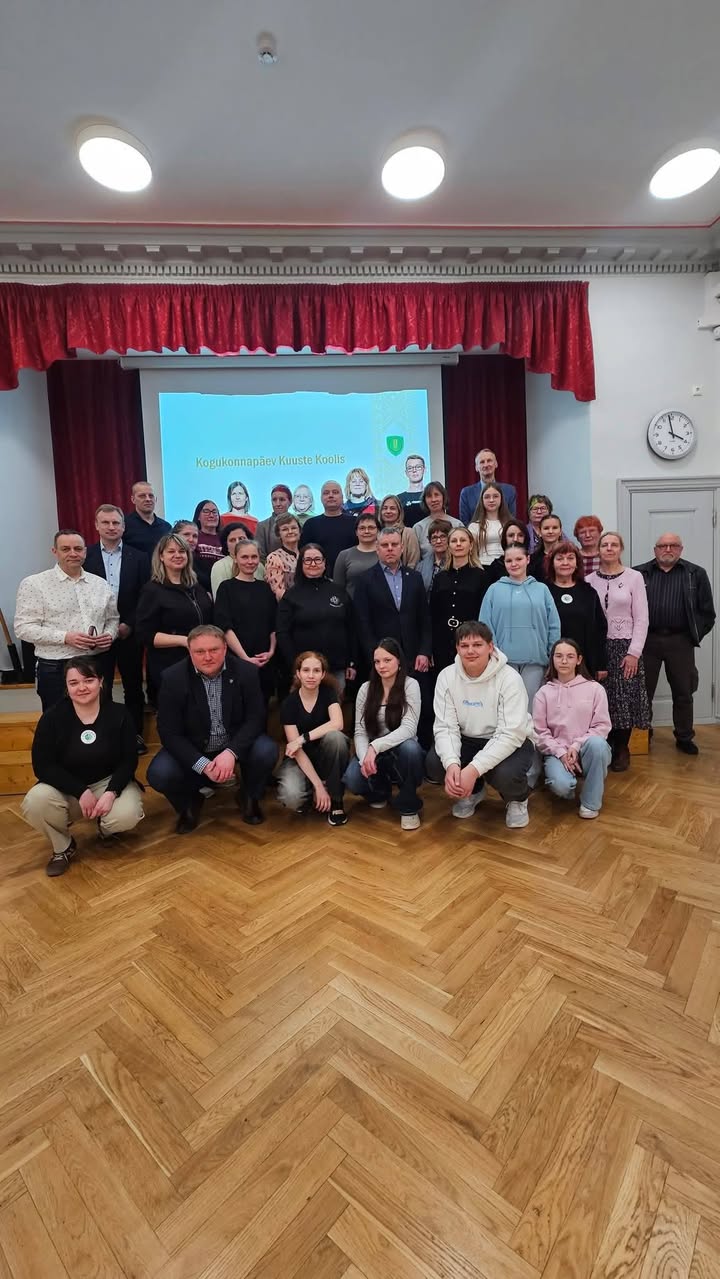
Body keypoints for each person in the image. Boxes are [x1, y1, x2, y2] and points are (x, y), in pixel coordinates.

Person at [147, 625, 276, 833]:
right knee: (160, 773)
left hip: (233, 743)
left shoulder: (246, 671)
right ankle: (189, 803)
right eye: (199, 651)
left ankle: (249, 796)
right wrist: (202, 764)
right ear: (190, 652)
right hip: (195, 747)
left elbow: (255, 718)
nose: (207, 657)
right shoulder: (172, 678)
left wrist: (231, 752)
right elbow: (169, 732)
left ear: (225, 648)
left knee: (266, 750)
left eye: (214, 650)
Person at [21, 658, 143, 876]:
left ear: (101, 681)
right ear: (66, 687)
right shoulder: (52, 718)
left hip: (107, 782)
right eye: (74, 683)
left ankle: (106, 828)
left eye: (88, 680)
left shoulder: (119, 713)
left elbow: (129, 761)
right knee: (35, 801)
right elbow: (43, 766)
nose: (82, 687)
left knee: (128, 814)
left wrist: (112, 792)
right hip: (67, 787)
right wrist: (80, 791)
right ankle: (63, 847)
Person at [426, 621, 535, 829]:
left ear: (490, 647)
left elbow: (510, 733)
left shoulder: (510, 678)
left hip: (512, 741)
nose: (470, 651)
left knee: (505, 774)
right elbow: (446, 727)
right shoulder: (446, 676)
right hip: (468, 738)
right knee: (436, 763)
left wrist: (473, 769)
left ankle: (518, 798)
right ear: (457, 648)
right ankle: (474, 791)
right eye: (464, 645)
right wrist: (452, 764)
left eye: (477, 645)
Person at [15, 530, 119, 711]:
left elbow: (112, 619)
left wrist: (109, 635)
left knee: (100, 717)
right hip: (56, 667)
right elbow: (23, 628)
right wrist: (65, 637)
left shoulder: (100, 584)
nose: (73, 553)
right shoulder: (34, 584)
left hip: (95, 662)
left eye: (78, 549)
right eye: (65, 549)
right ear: (54, 551)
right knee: (59, 721)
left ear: (85, 551)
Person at [635, 533, 716, 755]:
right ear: (655, 549)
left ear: (681, 549)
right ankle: (644, 734)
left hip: (680, 641)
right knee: (643, 692)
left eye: (673, 545)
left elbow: (707, 613)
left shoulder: (695, 574)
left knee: (683, 692)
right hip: (647, 640)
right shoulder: (639, 573)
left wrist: (692, 636)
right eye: (663, 545)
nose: (668, 549)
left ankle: (684, 737)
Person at [84, 505, 151, 751]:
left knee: (133, 686)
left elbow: (145, 595)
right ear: (96, 525)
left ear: (123, 526)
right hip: (96, 635)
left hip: (128, 633)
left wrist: (129, 624)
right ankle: (105, 736)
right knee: (101, 686)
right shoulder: (86, 556)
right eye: (106, 522)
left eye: (116, 523)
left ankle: (134, 735)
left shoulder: (139, 557)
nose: (111, 527)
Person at [343, 638, 425, 829]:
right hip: (374, 751)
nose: (381, 666)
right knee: (353, 778)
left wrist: (375, 747)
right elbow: (360, 731)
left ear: (399, 661)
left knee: (411, 749)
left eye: (387, 660)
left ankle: (409, 805)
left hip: (400, 748)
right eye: (377, 661)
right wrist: (365, 758)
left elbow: (409, 729)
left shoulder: (410, 685)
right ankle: (380, 792)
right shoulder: (366, 688)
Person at [586, 532, 650, 772]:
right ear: (598, 550)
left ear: (620, 549)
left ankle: (622, 748)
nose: (609, 548)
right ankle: (605, 745)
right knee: (602, 698)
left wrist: (634, 653)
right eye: (605, 544)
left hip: (626, 648)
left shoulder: (634, 577)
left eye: (614, 544)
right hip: (598, 647)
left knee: (624, 698)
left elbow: (642, 618)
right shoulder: (589, 580)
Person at [533, 639, 612, 819]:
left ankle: (590, 802)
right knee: (562, 786)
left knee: (598, 745)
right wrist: (561, 753)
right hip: (558, 753)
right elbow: (540, 733)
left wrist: (576, 746)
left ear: (578, 660)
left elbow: (601, 726)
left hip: (587, 749)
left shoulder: (595, 689)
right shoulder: (543, 693)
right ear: (552, 659)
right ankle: (568, 783)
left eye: (570, 656)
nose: (564, 661)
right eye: (559, 656)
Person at [480, 544, 561, 705]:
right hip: (503, 661)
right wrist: (493, 653)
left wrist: (552, 654)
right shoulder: (494, 590)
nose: (514, 564)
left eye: (519, 559)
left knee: (532, 706)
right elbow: (485, 624)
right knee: (507, 705)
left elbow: (553, 624)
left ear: (528, 559)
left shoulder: (542, 589)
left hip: (536, 659)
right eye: (509, 560)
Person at [277, 651, 350, 826]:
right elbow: (297, 751)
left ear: (323, 674)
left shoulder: (329, 693)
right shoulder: (289, 703)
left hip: (326, 756)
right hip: (300, 760)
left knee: (336, 738)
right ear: (298, 673)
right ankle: (315, 792)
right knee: (291, 796)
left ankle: (336, 801)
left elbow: (337, 723)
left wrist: (303, 738)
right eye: (306, 670)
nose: (311, 675)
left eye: (316, 670)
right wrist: (318, 785)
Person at [135, 533, 213, 693]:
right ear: (161, 556)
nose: (177, 555)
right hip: (170, 666)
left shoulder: (196, 587)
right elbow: (144, 634)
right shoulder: (152, 590)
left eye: (182, 551)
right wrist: (184, 640)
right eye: (171, 551)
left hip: (201, 662)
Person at [276, 544, 356, 690]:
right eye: (308, 560)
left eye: (318, 559)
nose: (313, 564)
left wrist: (351, 661)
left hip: (336, 667)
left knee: (334, 704)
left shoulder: (339, 591)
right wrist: (294, 665)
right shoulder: (291, 596)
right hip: (305, 670)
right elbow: (282, 633)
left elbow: (351, 628)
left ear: (324, 563)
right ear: (301, 564)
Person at [353, 527, 431, 676]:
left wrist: (424, 651)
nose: (390, 548)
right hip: (381, 657)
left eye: (394, 544)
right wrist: (374, 654)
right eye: (385, 545)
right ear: (377, 549)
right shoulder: (364, 580)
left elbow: (424, 618)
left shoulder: (415, 577)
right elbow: (362, 623)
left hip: (413, 656)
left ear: (402, 548)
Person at [214, 540, 277, 702]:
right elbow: (225, 627)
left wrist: (271, 652)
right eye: (245, 557)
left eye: (254, 557)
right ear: (235, 558)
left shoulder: (265, 588)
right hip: (237, 662)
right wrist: (245, 658)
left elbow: (273, 625)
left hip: (264, 662)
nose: (250, 561)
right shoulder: (226, 588)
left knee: (263, 707)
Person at [430, 527, 489, 672]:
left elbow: (484, 613)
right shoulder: (440, 578)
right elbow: (432, 613)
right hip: (442, 642)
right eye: (454, 541)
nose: (458, 544)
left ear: (471, 545)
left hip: (470, 641)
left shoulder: (481, 576)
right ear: (448, 546)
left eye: (462, 540)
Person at [546, 541, 607, 677]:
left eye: (570, 558)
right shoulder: (543, 591)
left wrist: (601, 664)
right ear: (552, 563)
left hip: (585, 662)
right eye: (560, 559)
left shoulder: (588, 592)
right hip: (552, 662)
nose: (565, 563)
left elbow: (600, 629)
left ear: (577, 563)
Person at [298, 480, 358, 572]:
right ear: (321, 498)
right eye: (326, 493)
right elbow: (304, 555)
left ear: (342, 497)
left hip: (351, 574)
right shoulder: (311, 524)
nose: (331, 495)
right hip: (319, 576)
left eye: (335, 492)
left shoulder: (355, 523)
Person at [459, 449, 517, 526]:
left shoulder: (509, 491)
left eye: (489, 461)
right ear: (476, 467)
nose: (486, 465)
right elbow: (464, 523)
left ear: (496, 464)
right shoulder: (466, 493)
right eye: (482, 462)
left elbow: (511, 521)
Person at [210, 521, 266, 597]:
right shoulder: (219, 566)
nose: (237, 542)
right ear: (226, 545)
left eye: (241, 538)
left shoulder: (259, 566)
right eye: (232, 540)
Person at [334, 513, 379, 598]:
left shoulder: (386, 553)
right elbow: (338, 588)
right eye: (362, 528)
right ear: (356, 532)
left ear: (378, 531)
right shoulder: (344, 555)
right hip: (351, 605)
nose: (366, 531)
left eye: (371, 527)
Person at [468, 484, 513, 565]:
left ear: (501, 499)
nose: (491, 500)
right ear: (482, 500)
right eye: (487, 497)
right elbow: (471, 553)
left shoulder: (511, 524)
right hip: (482, 566)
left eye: (495, 496)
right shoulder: (474, 526)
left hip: (507, 565)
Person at [413, 483, 463, 556]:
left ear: (443, 497)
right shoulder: (418, 528)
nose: (433, 500)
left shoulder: (457, 524)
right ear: (425, 500)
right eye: (429, 496)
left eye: (436, 495)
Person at [123, 481, 171, 556]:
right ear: (133, 499)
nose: (148, 499)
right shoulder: (124, 525)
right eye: (142, 496)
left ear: (156, 499)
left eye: (151, 496)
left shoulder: (166, 527)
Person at [265, 513, 301, 601]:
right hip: (289, 605)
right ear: (278, 534)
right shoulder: (274, 558)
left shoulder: (306, 554)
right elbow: (278, 592)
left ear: (300, 531)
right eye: (285, 529)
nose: (290, 531)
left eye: (293, 528)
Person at [377, 496, 421, 567]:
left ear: (399, 512)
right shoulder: (376, 533)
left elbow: (413, 562)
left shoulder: (408, 533)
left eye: (392, 508)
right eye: (385, 508)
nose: (388, 511)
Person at [191, 499, 224, 591]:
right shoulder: (193, 537)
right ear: (198, 516)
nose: (211, 515)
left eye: (214, 512)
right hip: (199, 588)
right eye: (206, 511)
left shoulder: (225, 538)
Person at [485, 520, 530, 585]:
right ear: (505, 538)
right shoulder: (496, 566)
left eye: (520, 535)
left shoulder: (535, 564)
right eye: (511, 535)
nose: (515, 539)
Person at [255, 485, 292, 560]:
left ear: (290, 502)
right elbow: (260, 556)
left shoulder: (298, 525)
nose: (278, 504)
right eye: (274, 500)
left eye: (282, 499)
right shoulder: (262, 526)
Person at [419, 519, 452, 595]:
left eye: (443, 536)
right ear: (429, 540)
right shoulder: (421, 567)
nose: (438, 541)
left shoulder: (456, 563)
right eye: (434, 537)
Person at [529, 513, 564, 582]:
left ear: (560, 531)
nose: (550, 531)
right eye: (546, 528)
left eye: (554, 528)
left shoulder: (568, 556)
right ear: (540, 532)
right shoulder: (533, 559)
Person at [397, 455, 426, 527]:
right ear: (406, 473)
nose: (414, 470)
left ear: (424, 470)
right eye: (410, 468)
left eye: (418, 467)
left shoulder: (431, 496)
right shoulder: (399, 499)